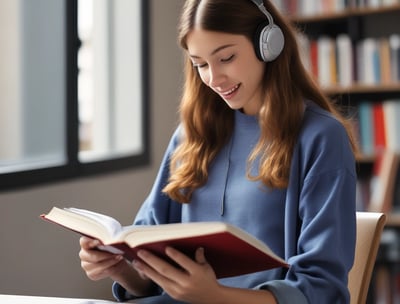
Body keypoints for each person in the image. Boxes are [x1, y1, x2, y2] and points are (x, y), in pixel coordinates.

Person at [79, 0, 358, 303]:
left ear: (269, 45)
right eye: (200, 64)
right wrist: (120, 268)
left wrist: (216, 295)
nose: (213, 77)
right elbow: (152, 274)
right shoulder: (191, 136)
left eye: (226, 57)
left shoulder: (320, 137)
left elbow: (322, 289)